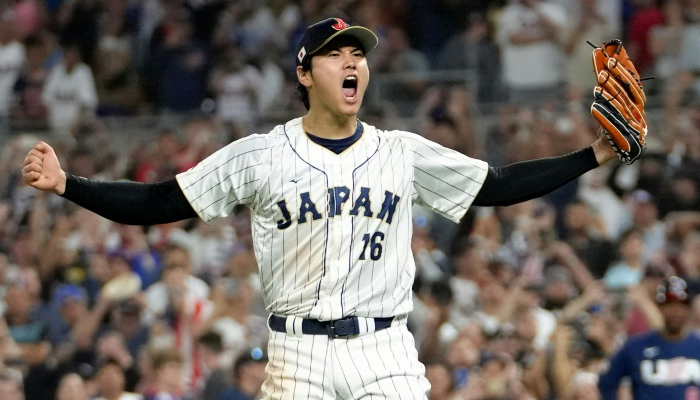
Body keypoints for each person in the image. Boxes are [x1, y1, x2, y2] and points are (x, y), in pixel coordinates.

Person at [22, 17, 622, 399]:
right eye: (337, 54)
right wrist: (68, 184)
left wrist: (594, 153)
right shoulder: (260, 155)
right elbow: (158, 202)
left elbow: (497, 184)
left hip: (384, 349)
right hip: (296, 353)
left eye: (358, 54)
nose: (353, 62)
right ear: (305, 73)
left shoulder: (400, 152)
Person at [598, 276, 700, 400]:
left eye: (681, 305)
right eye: (669, 304)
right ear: (659, 307)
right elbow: (606, 383)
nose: (676, 311)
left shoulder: (697, 345)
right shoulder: (635, 347)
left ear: (688, 309)